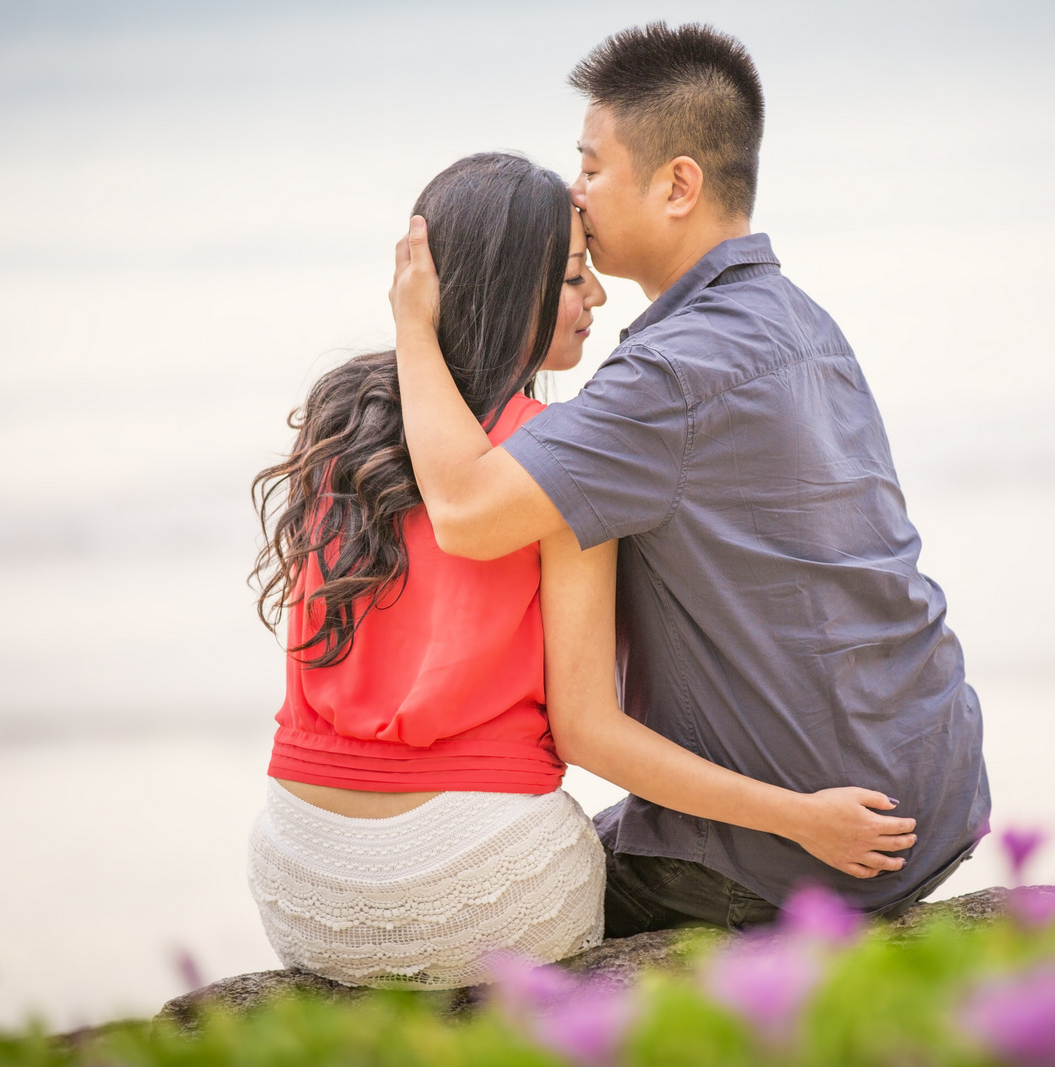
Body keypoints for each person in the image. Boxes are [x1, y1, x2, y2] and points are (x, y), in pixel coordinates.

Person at [246, 152, 916, 989]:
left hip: (300, 882)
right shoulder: (556, 463)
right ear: (507, 291)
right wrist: (802, 819)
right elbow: (588, 731)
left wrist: (414, 331)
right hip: (473, 891)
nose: (596, 294)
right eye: (570, 277)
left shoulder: (342, 421)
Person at [388, 24, 991, 939]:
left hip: (813, 847)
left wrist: (413, 326)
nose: (573, 194)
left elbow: (467, 511)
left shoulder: (666, 379)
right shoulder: (802, 322)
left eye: (589, 166)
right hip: (930, 781)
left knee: (473, 911)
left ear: (678, 184)